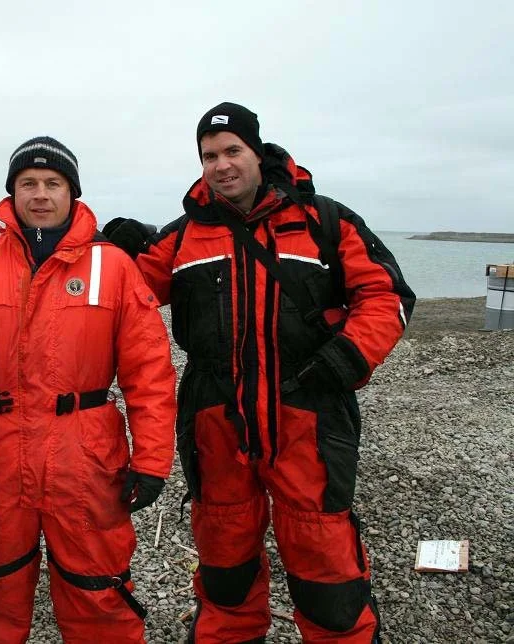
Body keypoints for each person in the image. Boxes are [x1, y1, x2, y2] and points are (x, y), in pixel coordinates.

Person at [103, 103, 415, 643]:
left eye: (231, 151)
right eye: (208, 156)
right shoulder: (181, 239)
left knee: (328, 576)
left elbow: (387, 294)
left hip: (309, 413)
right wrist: (112, 251)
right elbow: (121, 298)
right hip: (214, 418)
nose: (221, 165)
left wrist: (349, 356)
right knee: (226, 572)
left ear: (257, 152)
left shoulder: (324, 221)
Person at [0, 136, 177, 642]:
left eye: (53, 183)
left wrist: (152, 460)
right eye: (27, 183)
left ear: (73, 194)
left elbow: (151, 374)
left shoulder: (114, 267)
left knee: (97, 588)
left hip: (87, 459)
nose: (40, 194)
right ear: (10, 194)